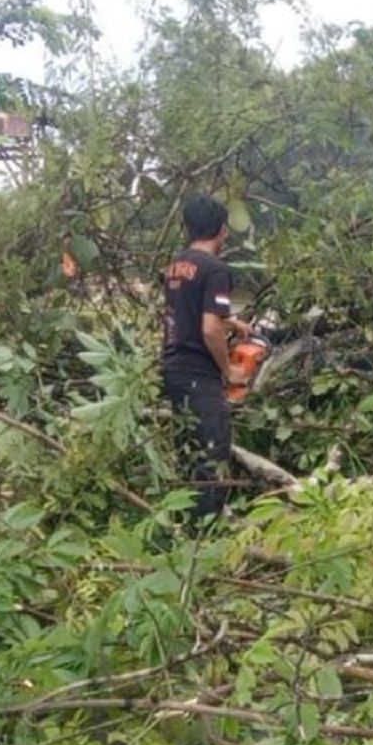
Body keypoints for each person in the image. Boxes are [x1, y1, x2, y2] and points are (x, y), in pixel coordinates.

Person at [161, 194, 250, 522]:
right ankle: (205, 532)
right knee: (212, 452)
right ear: (223, 231)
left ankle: (181, 523)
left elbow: (190, 311)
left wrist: (233, 321)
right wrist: (228, 370)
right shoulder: (216, 270)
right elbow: (210, 328)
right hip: (200, 372)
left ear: (187, 228)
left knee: (188, 449)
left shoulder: (175, 265)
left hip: (173, 367)